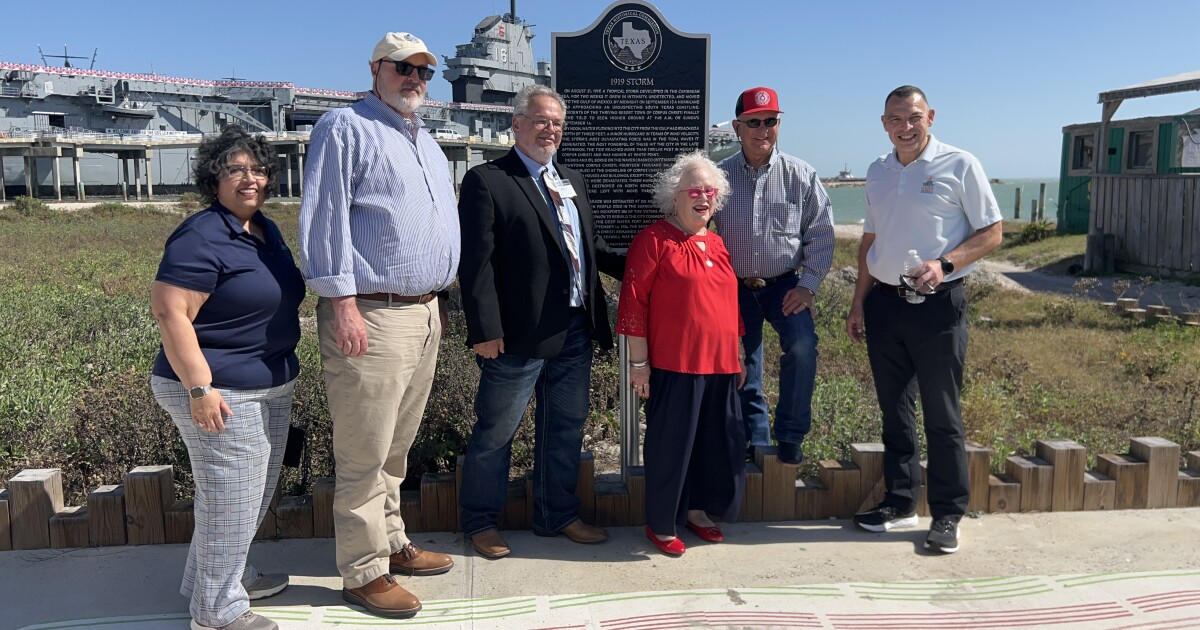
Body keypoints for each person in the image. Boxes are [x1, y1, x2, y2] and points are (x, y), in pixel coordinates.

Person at [298, 32, 459, 618]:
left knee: (397, 445)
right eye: (404, 69)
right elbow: (325, 216)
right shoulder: (346, 128)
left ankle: (391, 543)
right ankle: (362, 572)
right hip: (370, 310)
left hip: (420, 310)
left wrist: (433, 298)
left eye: (424, 72)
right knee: (365, 449)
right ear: (376, 69)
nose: (415, 80)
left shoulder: (427, 142)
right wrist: (340, 302)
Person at [457, 84, 625, 559]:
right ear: (517, 124)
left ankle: (558, 515)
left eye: (556, 122)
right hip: (516, 336)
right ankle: (481, 522)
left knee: (566, 428)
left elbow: (586, 250)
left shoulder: (571, 178)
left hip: (574, 329)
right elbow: (477, 264)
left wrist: (651, 264)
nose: (549, 129)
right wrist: (485, 330)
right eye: (540, 120)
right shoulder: (488, 180)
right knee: (496, 431)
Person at [150, 125, 304, 630]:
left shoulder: (264, 227)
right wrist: (199, 388)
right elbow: (172, 313)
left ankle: (219, 579)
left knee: (246, 496)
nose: (249, 179)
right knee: (233, 498)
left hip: (269, 383)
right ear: (213, 178)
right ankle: (216, 612)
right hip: (218, 388)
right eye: (235, 170)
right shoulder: (202, 233)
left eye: (258, 169)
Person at [846, 85, 1003, 554]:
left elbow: (992, 232)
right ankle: (899, 502)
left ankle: (948, 513)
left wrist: (945, 264)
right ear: (884, 123)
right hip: (885, 305)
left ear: (930, 116)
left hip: (938, 306)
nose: (906, 127)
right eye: (896, 119)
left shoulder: (960, 163)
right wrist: (859, 303)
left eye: (913, 117)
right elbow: (870, 242)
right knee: (894, 412)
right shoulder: (877, 170)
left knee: (941, 413)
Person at [617, 150, 747, 556]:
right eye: (694, 189)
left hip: (721, 364)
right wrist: (639, 365)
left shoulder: (717, 242)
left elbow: (730, 302)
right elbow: (633, 305)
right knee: (671, 447)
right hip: (675, 365)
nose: (703, 197)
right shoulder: (654, 239)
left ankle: (697, 511)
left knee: (713, 444)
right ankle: (661, 522)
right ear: (675, 196)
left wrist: (738, 351)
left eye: (710, 190)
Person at [716, 86, 835, 465]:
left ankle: (790, 436)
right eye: (754, 122)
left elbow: (822, 233)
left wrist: (809, 285)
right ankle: (756, 442)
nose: (762, 129)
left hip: (785, 285)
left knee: (802, 348)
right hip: (733, 288)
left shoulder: (801, 174)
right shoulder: (719, 178)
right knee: (743, 367)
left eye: (770, 121)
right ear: (738, 126)